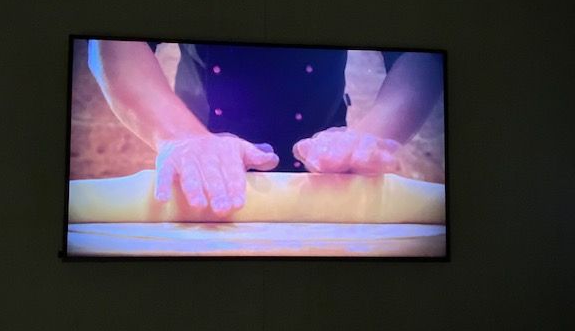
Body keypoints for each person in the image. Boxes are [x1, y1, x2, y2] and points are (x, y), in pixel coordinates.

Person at [88, 40, 443, 215]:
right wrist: (180, 136)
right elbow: (113, 40)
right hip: (198, 140)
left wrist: (371, 135)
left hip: (329, 151)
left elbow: (421, 49)